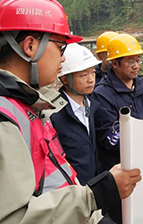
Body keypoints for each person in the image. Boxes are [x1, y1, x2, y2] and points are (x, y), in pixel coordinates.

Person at [0, 0, 140, 224]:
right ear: (31, 46)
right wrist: (96, 195)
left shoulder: (28, 108)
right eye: (60, 48)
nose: (63, 60)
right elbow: (10, 218)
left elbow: (54, 184)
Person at [93, 33, 143, 172]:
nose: (136, 66)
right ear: (115, 63)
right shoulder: (102, 95)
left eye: (138, 60)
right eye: (130, 61)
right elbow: (110, 137)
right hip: (121, 167)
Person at [51, 43, 103, 185]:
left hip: (92, 188)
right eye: (83, 75)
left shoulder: (91, 106)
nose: (91, 79)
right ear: (65, 79)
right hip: (70, 191)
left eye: (93, 72)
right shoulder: (55, 114)